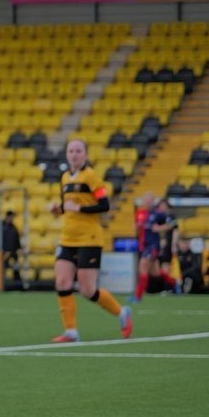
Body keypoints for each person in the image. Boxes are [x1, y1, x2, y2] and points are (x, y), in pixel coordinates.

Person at [49, 138, 131, 342]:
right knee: (62, 282)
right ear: (66, 154)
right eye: (71, 151)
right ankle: (71, 331)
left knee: (87, 290)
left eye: (78, 151)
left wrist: (81, 208)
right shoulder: (65, 177)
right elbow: (66, 206)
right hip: (68, 237)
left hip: (90, 238)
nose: (74, 154)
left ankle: (121, 313)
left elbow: (104, 205)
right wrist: (57, 210)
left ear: (85, 155)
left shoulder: (91, 176)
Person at [131, 198, 179, 301]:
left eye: (149, 201)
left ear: (153, 202)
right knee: (156, 272)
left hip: (152, 246)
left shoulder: (158, 214)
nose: (147, 203)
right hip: (142, 246)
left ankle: (137, 296)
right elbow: (138, 228)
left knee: (143, 265)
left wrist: (160, 228)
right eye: (146, 201)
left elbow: (173, 223)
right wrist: (136, 227)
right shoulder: (140, 213)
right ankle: (175, 283)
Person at [0, 210, 26, 285]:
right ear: (7, 216)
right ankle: (2, 284)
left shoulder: (13, 227)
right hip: (3, 253)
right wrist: (1, 250)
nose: (12, 219)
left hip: (13, 253)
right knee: (2, 268)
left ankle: (17, 284)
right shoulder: (0, 227)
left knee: (16, 267)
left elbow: (17, 241)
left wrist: (19, 249)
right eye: (11, 217)